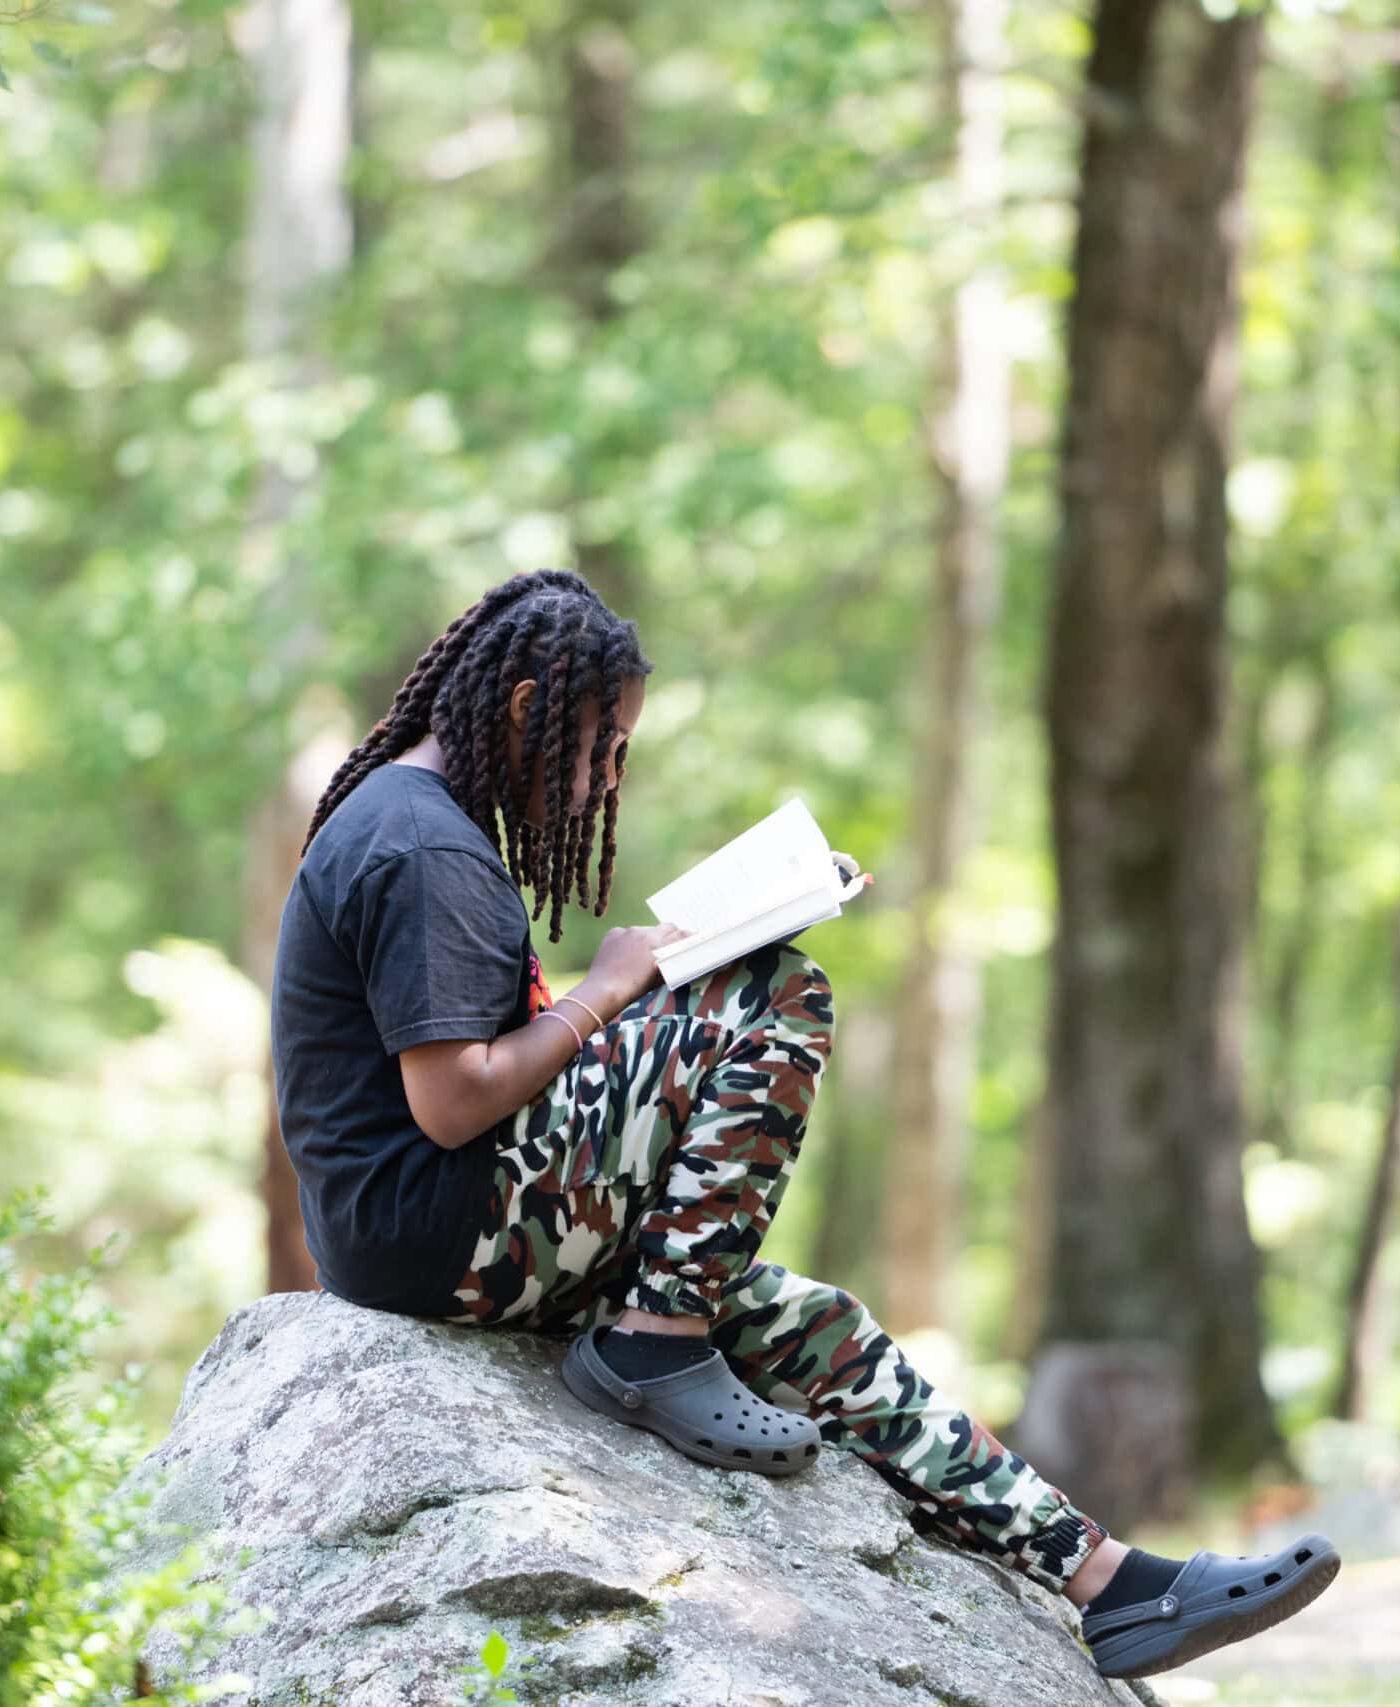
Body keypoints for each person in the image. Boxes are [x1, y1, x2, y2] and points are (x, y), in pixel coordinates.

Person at [267, 567, 1337, 1680]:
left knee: (814, 1325)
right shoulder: (420, 843)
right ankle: (655, 1342)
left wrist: (680, 957)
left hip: (463, 1225)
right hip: (436, 1233)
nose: (600, 782)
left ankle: (1108, 1584)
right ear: (527, 709)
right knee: (784, 993)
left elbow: (492, 1072)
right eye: (600, 746)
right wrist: (613, 989)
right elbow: (451, 1105)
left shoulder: (421, 823)